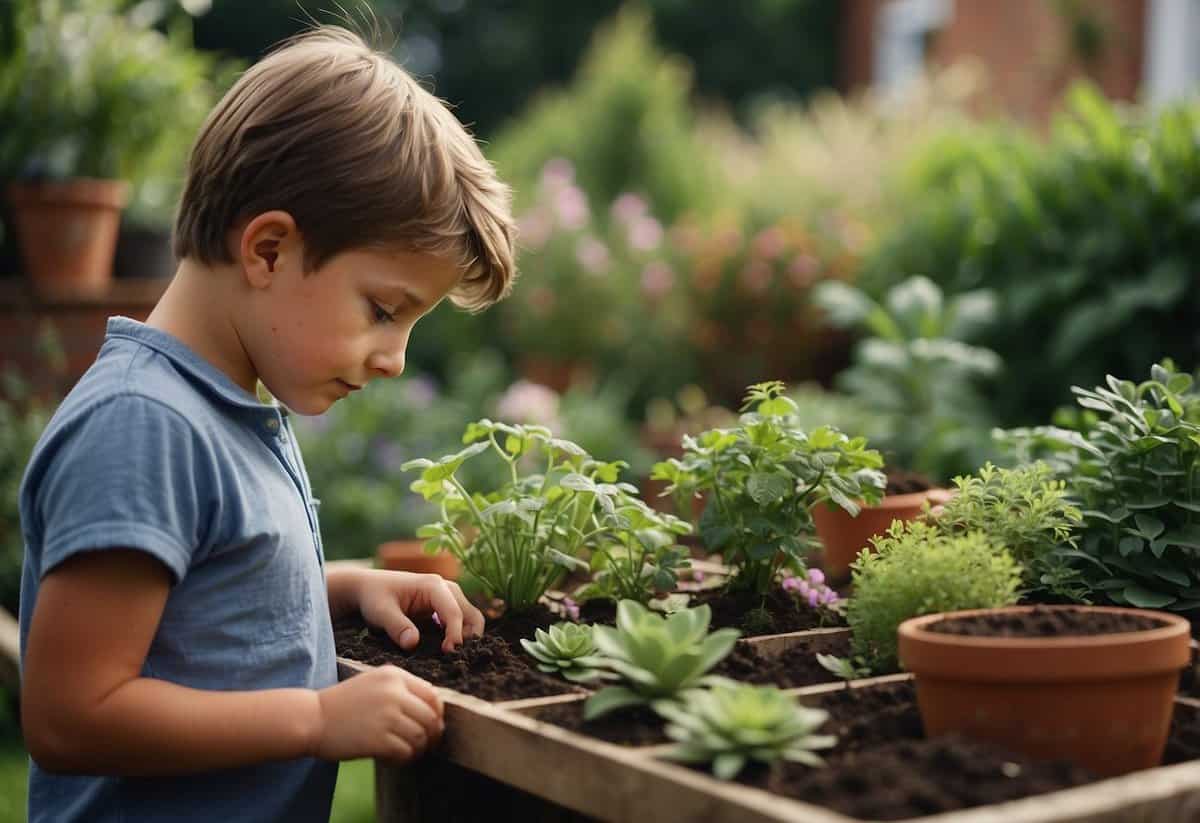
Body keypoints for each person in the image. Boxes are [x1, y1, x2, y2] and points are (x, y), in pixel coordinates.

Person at [16, 24, 516, 823]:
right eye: (384, 310)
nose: (394, 358)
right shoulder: (143, 426)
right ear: (270, 251)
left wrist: (347, 587)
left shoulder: (222, 408)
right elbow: (71, 714)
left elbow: (200, 609)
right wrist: (316, 718)